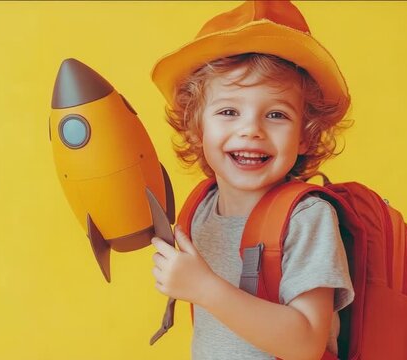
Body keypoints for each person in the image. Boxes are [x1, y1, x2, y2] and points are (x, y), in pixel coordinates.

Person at [149, 1, 354, 359]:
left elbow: (306, 342)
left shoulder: (307, 218)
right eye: (229, 111)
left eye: (276, 114)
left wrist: (205, 287)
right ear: (197, 128)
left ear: (305, 135)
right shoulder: (200, 209)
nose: (251, 130)